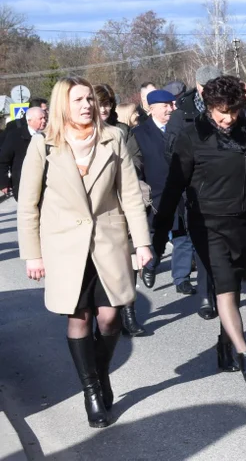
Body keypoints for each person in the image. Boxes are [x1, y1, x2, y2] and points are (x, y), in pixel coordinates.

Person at [16, 77, 152, 429]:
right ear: (63, 104)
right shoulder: (44, 146)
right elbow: (28, 205)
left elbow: (131, 196)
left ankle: (101, 373)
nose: (87, 105)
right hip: (64, 247)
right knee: (80, 318)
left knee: (109, 317)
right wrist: (33, 254)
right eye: (78, 100)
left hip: (108, 241)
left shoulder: (114, 138)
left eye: (89, 99)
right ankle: (92, 391)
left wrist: (142, 243)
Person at [156, 75, 246, 383]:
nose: (229, 119)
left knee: (233, 288)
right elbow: (173, 187)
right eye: (223, 112)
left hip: (241, 221)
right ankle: (245, 353)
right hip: (207, 224)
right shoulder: (191, 137)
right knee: (225, 287)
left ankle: (224, 345)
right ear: (208, 106)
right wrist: (156, 233)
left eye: (234, 111)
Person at [165, 66, 223, 321]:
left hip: (224, 186)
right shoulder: (181, 114)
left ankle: (223, 290)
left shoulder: (227, 107)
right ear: (199, 86)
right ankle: (206, 296)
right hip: (195, 189)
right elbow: (171, 152)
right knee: (201, 243)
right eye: (207, 85)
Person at [130, 89, 195, 296]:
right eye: (166, 105)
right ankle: (150, 265)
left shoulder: (182, 128)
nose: (171, 109)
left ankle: (182, 278)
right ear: (152, 108)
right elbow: (134, 165)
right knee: (156, 236)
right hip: (156, 196)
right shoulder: (140, 133)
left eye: (172, 104)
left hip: (182, 194)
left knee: (183, 236)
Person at [94, 84, 143, 335]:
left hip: (122, 203)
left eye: (108, 104)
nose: (104, 109)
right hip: (93, 211)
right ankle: (99, 312)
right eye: (100, 103)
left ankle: (129, 314)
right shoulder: (81, 132)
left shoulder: (122, 131)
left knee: (129, 261)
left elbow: (136, 160)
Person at [0, 105, 48, 199]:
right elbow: (3, 161)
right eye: (40, 118)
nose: (44, 121)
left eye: (45, 118)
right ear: (29, 120)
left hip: (45, 183)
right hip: (23, 183)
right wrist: (4, 183)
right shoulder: (15, 136)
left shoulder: (48, 135)